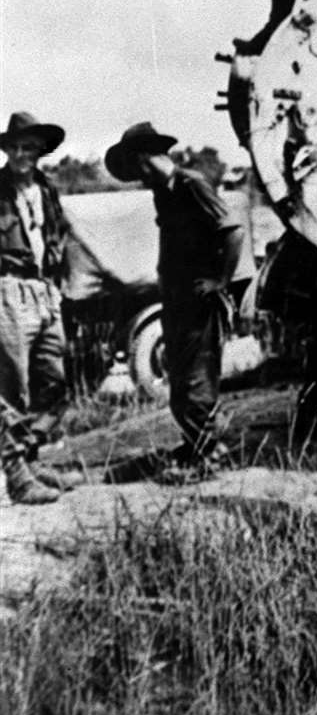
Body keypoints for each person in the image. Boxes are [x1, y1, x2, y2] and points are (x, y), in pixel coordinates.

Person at [106, 122, 245, 484]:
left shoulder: (190, 183)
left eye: (133, 169)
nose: (136, 178)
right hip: (177, 300)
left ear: (142, 160)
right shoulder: (164, 192)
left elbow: (232, 230)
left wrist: (220, 281)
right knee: (180, 379)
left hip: (200, 302)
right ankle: (195, 444)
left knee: (198, 377)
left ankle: (209, 456)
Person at [0, 112, 83, 504]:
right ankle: (17, 476)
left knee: (53, 381)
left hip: (45, 291)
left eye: (28, 147)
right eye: (14, 147)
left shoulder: (47, 190)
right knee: (11, 386)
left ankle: (31, 458)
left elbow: (60, 237)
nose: (20, 154)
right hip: (9, 290)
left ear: (39, 152)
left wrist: (61, 285)